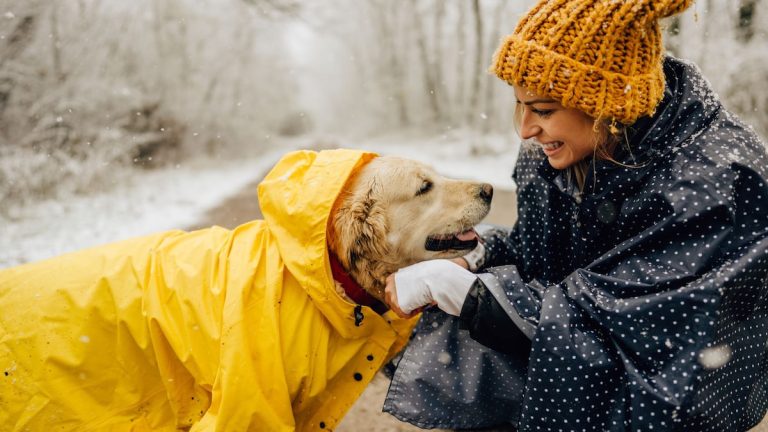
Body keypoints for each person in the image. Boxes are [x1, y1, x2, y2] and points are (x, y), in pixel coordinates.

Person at [382, 0, 768, 431]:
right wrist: (477, 254)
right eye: (519, 106)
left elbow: (660, 362)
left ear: (607, 105)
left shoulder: (716, 185)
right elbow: (542, 259)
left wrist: (481, 298)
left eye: (543, 111)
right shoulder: (553, 155)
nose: (526, 129)